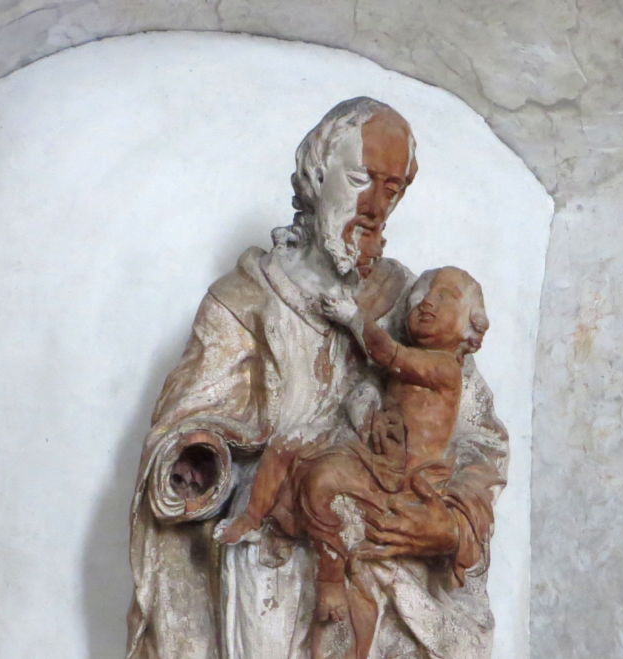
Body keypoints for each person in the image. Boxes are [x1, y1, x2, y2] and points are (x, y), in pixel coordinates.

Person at [126, 97, 508, 659]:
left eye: (393, 189)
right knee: (264, 563)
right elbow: (188, 423)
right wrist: (200, 454)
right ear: (316, 175)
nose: (375, 206)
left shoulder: (412, 304)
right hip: (283, 552)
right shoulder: (246, 302)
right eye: (360, 179)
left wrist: (454, 527)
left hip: (394, 553)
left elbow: (479, 438)